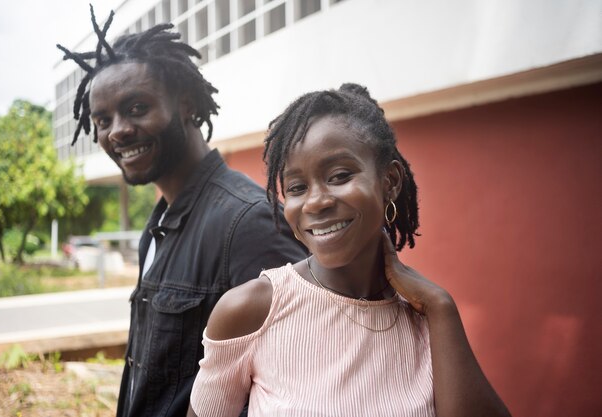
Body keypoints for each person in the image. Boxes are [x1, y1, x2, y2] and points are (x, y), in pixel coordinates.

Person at [188, 83, 512, 417]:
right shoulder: (251, 310)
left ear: (390, 181)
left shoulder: (427, 318)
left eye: (340, 175)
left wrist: (441, 307)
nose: (317, 201)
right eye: (297, 187)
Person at [56, 6, 306, 417]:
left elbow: (296, 387)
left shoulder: (247, 223)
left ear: (187, 105)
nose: (116, 130)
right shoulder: (157, 226)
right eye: (102, 119)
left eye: (136, 108)